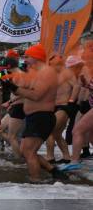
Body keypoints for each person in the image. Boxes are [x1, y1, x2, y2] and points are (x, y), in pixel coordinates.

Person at [5, 44, 62, 181]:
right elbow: (25, 86)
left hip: (42, 117)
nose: (25, 60)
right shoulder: (36, 72)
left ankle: (35, 181)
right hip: (35, 117)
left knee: (29, 151)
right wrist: (10, 81)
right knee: (26, 151)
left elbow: (36, 95)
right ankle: (53, 171)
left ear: (36, 57)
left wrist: (14, 88)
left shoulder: (47, 72)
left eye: (27, 57)